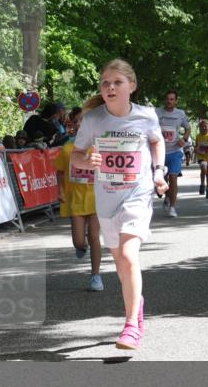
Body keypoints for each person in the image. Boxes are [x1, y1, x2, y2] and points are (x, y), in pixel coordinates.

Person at [71, 58, 168, 351]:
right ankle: (137, 305)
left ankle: (130, 326)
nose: (110, 87)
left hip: (138, 194)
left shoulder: (146, 116)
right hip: (107, 199)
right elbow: (76, 155)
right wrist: (87, 160)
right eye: (105, 83)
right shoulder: (93, 119)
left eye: (117, 82)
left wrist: (159, 171)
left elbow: (157, 141)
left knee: (127, 254)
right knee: (122, 265)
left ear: (132, 86)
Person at [53, 108, 102, 291]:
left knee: (94, 236)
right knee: (79, 241)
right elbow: (59, 172)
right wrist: (60, 191)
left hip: (96, 198)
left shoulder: (100, 146)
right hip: (76, 199)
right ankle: (82, 247)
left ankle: (95, 275)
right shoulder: (67, 148)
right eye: (77, 121)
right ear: (72, 125)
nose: (81, 124)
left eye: (84, 121)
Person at [155, 90, 191, 217]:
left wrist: (184, 139)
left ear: (176, 101)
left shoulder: (180, 114)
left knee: (173, 178)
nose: (169, 101)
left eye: (172, 99)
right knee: (163, 179)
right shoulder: (157, 112)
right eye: (167, 99)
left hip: (175, 150)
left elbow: (188, 128)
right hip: (160, 151)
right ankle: (167, 196)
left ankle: (172, 207)